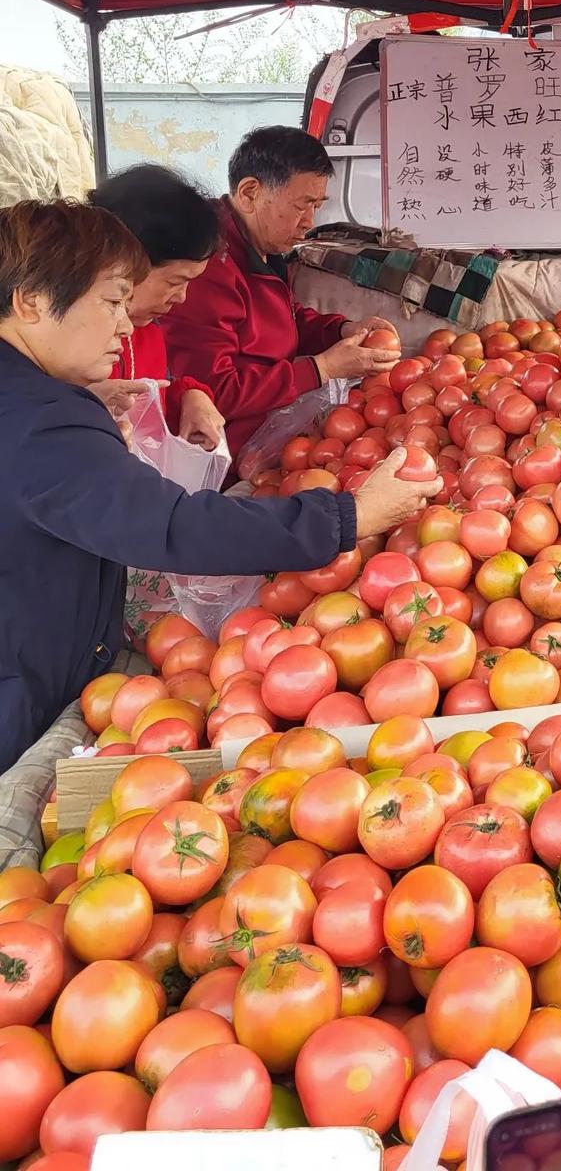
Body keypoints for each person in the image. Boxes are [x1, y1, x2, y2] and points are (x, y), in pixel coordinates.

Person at [0, 199, 438, 773]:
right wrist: (349, 515)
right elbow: (174, 527)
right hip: (20, 689)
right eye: (111, 302)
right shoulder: (41, 422)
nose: (126, 325)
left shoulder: (31, 401)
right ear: (29, 302)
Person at [163, 126, 400, 458]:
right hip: (230, 451)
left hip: (274, 428)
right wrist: (321, 369)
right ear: (249, 193)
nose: (309, 221)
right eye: (303, 205)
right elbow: (214, 389)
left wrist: (341, 330)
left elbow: (287, 319)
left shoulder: (263, 247)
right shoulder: (207, 267)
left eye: (318, 205)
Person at [87, 163, 225, 449]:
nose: (181, 297)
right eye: (174, 281)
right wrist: (84, 407)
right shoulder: (72, 347)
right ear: (124, 262)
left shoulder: (148, 333)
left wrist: (190, 396)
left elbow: (151, 399)